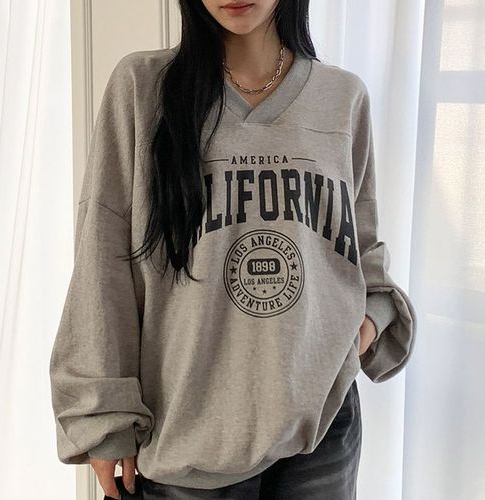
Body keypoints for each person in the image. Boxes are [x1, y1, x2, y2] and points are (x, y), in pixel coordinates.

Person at [49, 1, 417, 498]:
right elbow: (103, 257)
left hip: (323, 426)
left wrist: (368, 323)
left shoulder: (342, 97)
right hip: (187, 434)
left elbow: (360, 246)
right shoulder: (142, 87)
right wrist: (103, 415)